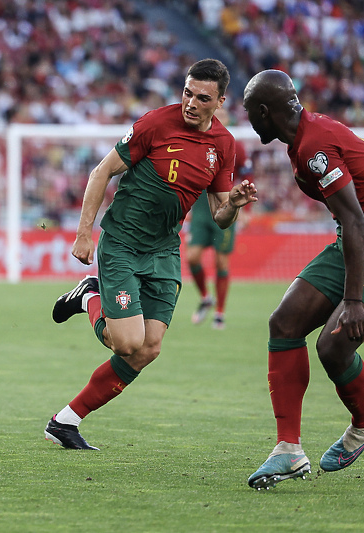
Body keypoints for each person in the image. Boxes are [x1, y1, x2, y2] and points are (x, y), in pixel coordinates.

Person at [45, 59, 258, 450]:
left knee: (148, 349)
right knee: (126, 343)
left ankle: (66, 420)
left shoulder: (223, 146)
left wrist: (236, 204)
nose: (191, 103)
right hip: (123, 243)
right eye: (187, 93)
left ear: (221, 101)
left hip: (163, 252)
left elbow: (220, 216)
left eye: (202, 97)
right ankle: (89, 296)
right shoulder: (155, 124)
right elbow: (101, 172)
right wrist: (83, 234)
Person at [242, 70, 364, 489]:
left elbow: (354, 218)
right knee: (285, 322)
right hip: (363, 233)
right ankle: (288, 450)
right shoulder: (304, 139)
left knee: (333, 344)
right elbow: (351, 219)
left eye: (249, 114)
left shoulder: (314, 145)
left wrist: (351, 300)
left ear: (264, 112)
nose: (249, 124)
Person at [187, 120, 252, 328]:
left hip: (225, 204)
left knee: (220, 262)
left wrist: (246, 209)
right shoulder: (194, 139)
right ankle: (206, 298)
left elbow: (247, 174)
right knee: (192, 257)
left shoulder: (234, 144)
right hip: (199, 208)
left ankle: (220, 313)